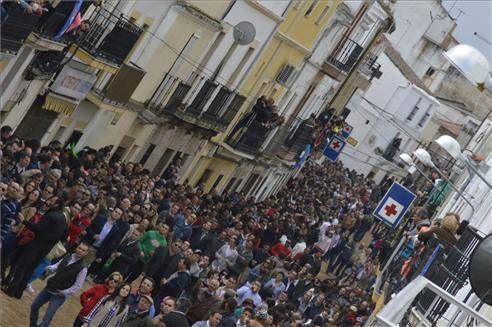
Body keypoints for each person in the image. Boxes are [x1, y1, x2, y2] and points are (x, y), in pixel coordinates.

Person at [3, 194, 68, 299]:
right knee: (30, 269)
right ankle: (18, 293)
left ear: (56, 204)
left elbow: (38, 228)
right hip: (46, 248)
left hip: (36, 244)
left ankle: (11, 290)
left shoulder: (50, 215)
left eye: (52, 201)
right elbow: (65, 236)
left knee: (22, 267)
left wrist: (24, 220)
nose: (49, 202)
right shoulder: (63, 219)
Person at [30, 242, 89, 327]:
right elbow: (58, 266)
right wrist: (50, 268)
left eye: (83, 250)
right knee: (34, 306)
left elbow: (78, 285)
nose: (80, 251)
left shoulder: (83, 268)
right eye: (79, 248)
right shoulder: (68, 256)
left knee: (47, 319)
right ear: (77, 248)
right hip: (50, 286)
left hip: (59, 295)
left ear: (85, 253)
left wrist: (65, 292)